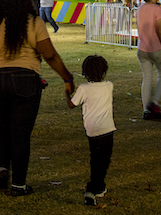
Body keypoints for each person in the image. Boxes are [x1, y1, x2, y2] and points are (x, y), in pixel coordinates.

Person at [0, 0, 75, 197]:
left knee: (5, 127)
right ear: (26, 0)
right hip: (26, 80)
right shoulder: (34, 23)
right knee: (21, 134)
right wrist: (67, 78)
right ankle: (19, 185)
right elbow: (50, 55)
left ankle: (2, 169)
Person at [66, 55, 115, 207]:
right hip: (107, 129)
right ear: (104, 70)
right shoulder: (109, 86)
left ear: (85, 72)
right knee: (104, 160)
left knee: (95, 158)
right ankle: (93, 189)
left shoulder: (83, 89)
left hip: (92, 130)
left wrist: (67, 93)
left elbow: (72, 105)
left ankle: (97, 186)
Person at [136, 0, 161, 120]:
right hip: (155, 48)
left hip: (142, 48)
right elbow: (160, 31)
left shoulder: (140, 9)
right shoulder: (157, 10)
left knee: (147, 79)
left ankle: (145, 110)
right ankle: (154, 103)